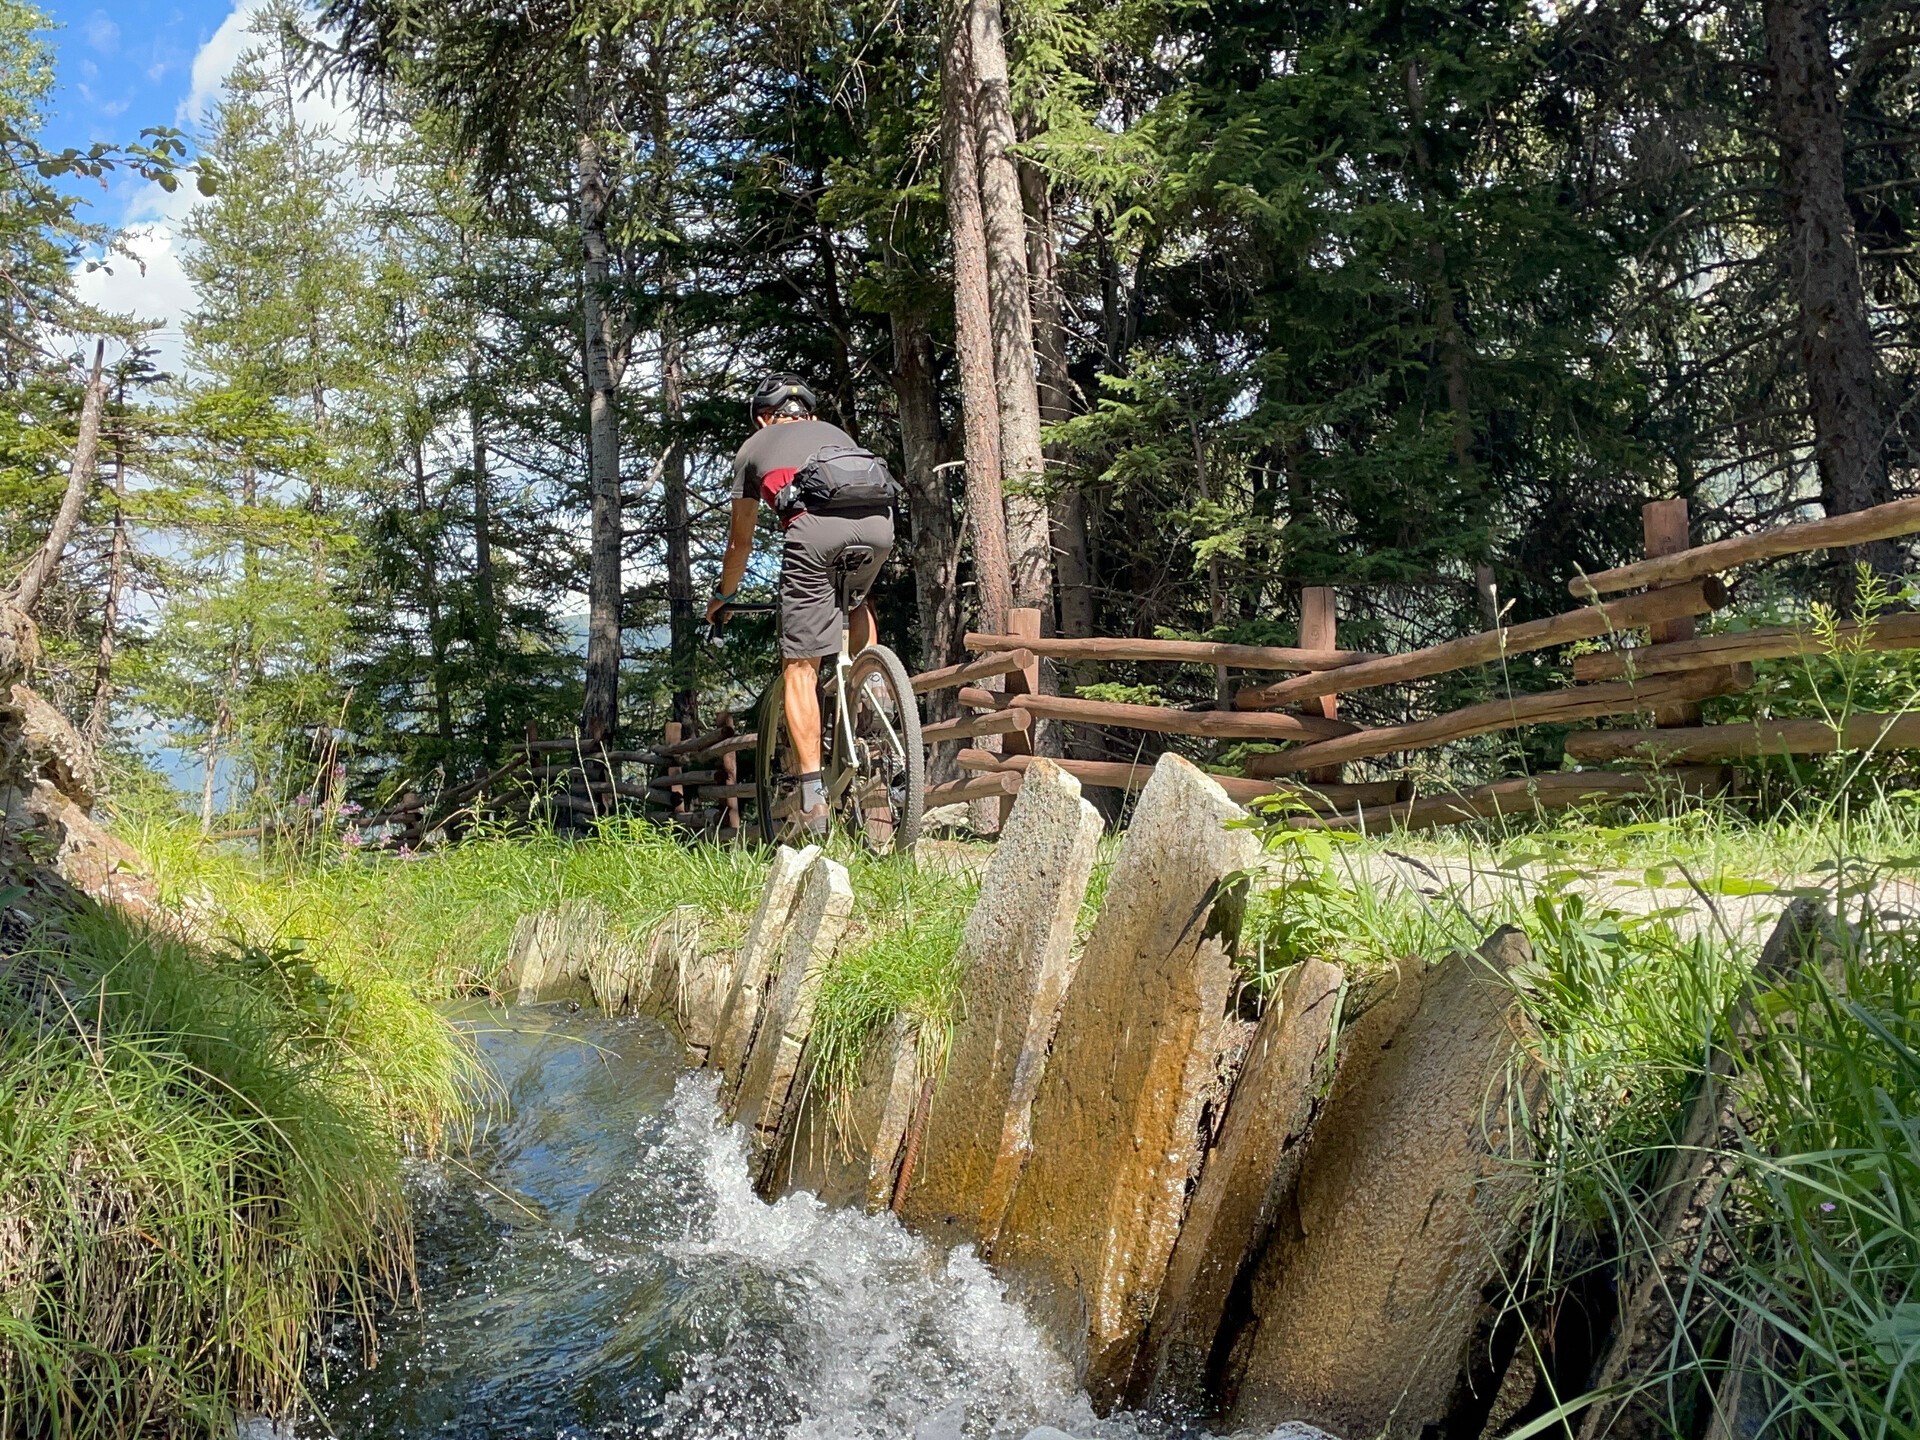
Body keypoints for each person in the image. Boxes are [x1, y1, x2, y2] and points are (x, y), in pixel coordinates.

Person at [707, 373, 894, 833]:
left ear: (761, 418)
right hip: (880, 527)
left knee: (800, 667)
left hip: (814, 535)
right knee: (854, 599)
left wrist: (724, 595)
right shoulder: (837, 434)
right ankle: (872, 686)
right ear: (809, 414)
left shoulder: (753, 447)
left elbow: (740, 542)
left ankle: (812, 798)